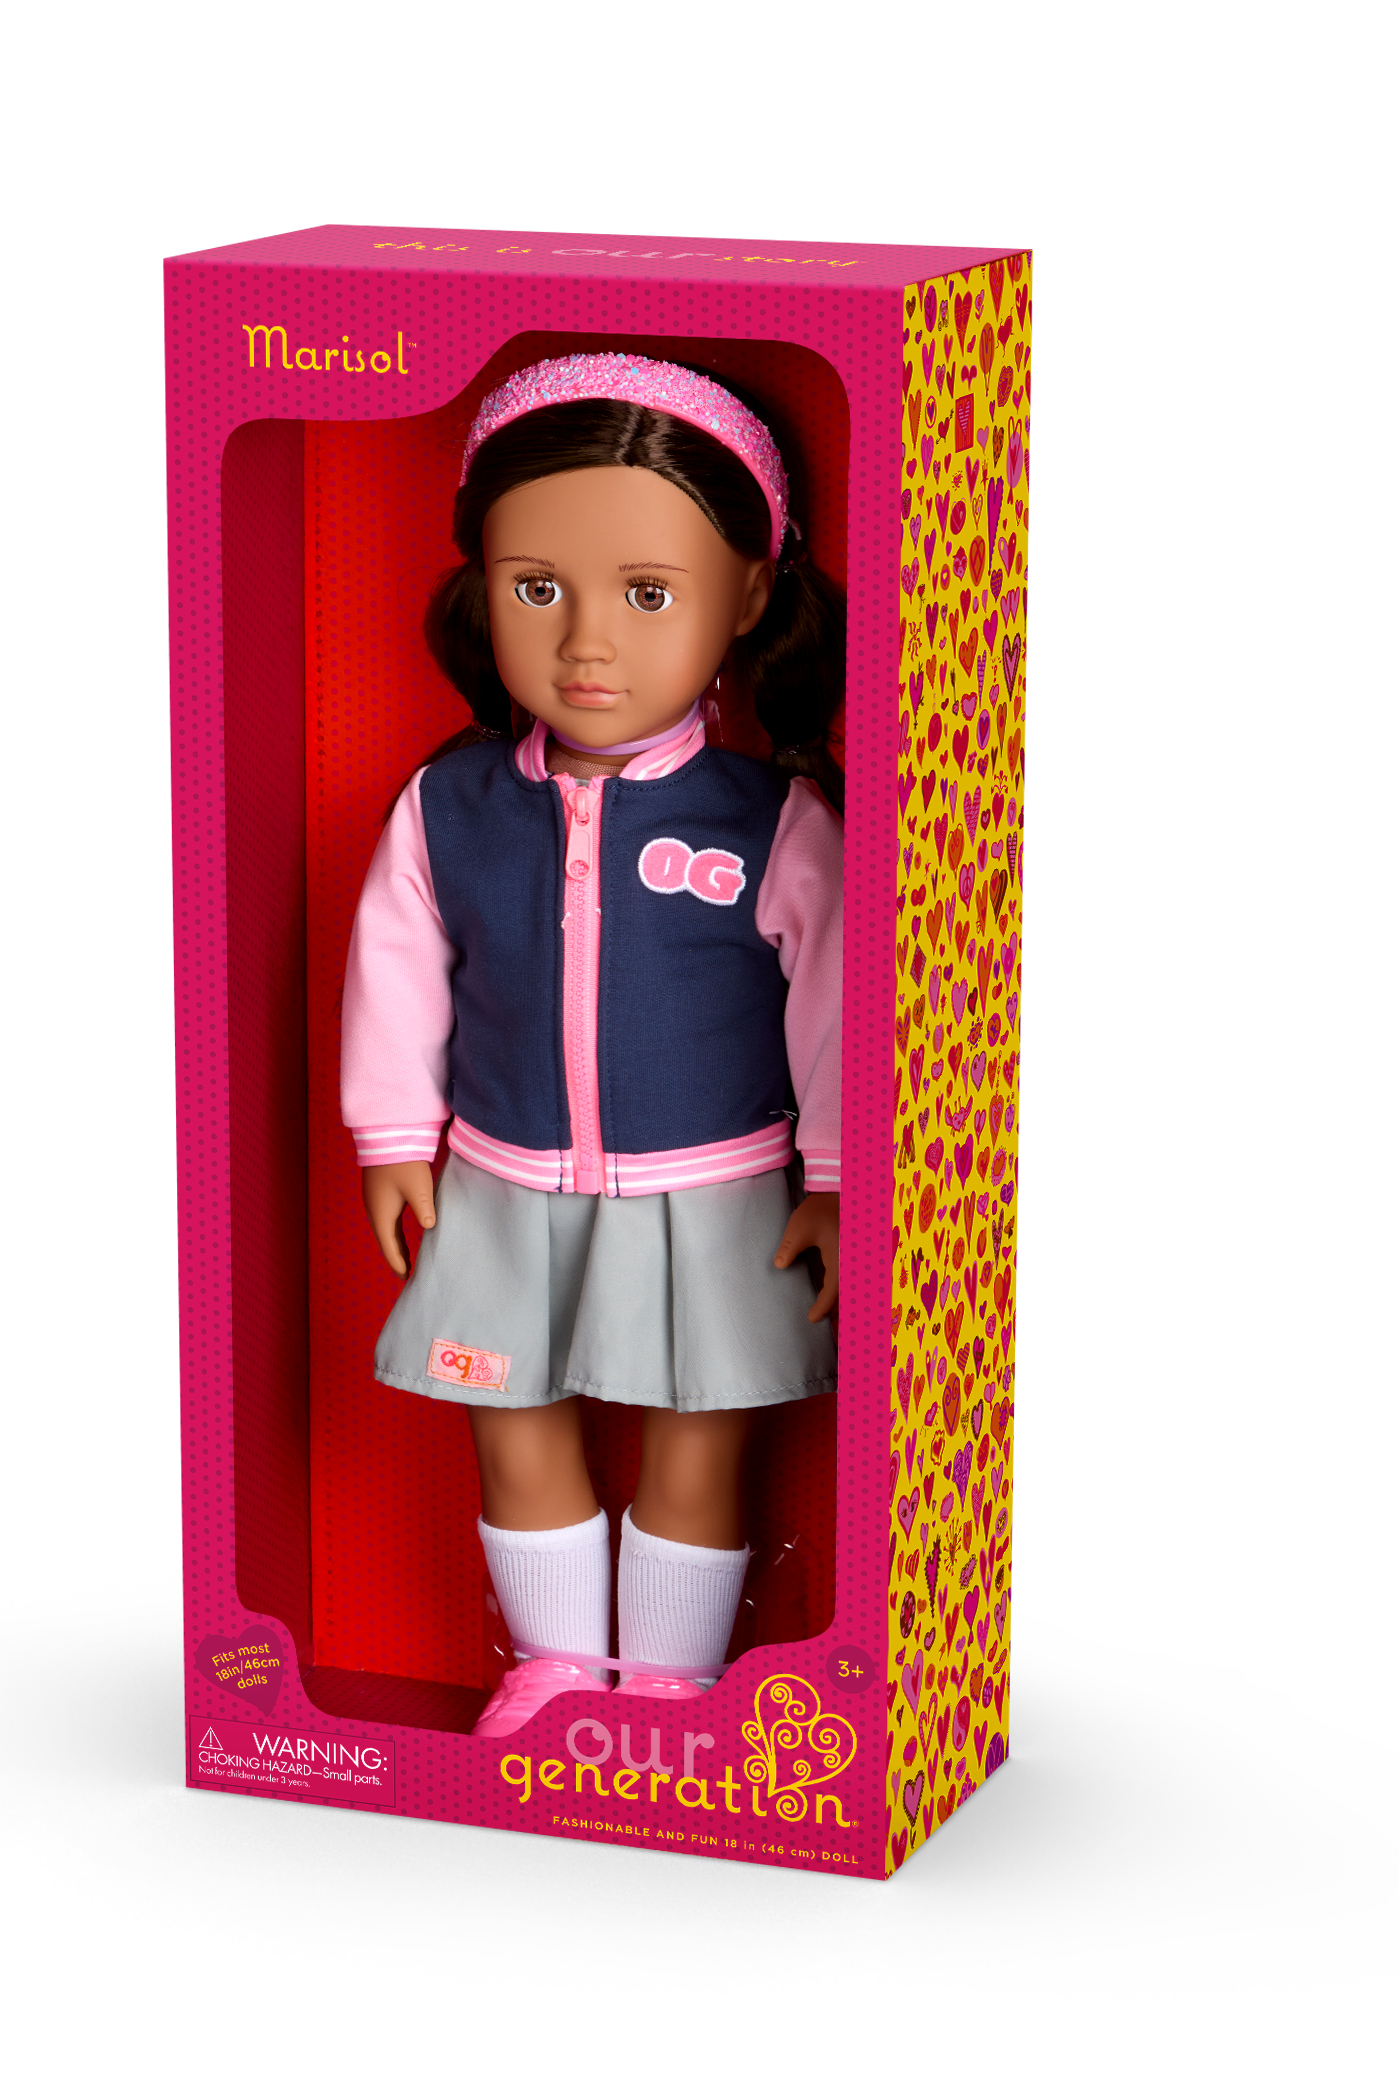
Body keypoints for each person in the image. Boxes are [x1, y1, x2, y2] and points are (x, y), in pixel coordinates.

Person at [339, 354, 846, 1736]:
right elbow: (396, 968)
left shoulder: (769, 820)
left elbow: (837, 1006)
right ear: (482, 588)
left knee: (699, 1441)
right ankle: (556, 1672)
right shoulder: (450, 806)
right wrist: (393, 1136)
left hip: (715, 1190)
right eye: (536, 588)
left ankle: (669, 1691)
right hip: (501, 1180)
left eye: (648, 593)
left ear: (749, 596)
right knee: (512, 1424)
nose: (585, 645)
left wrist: (838, 1174)